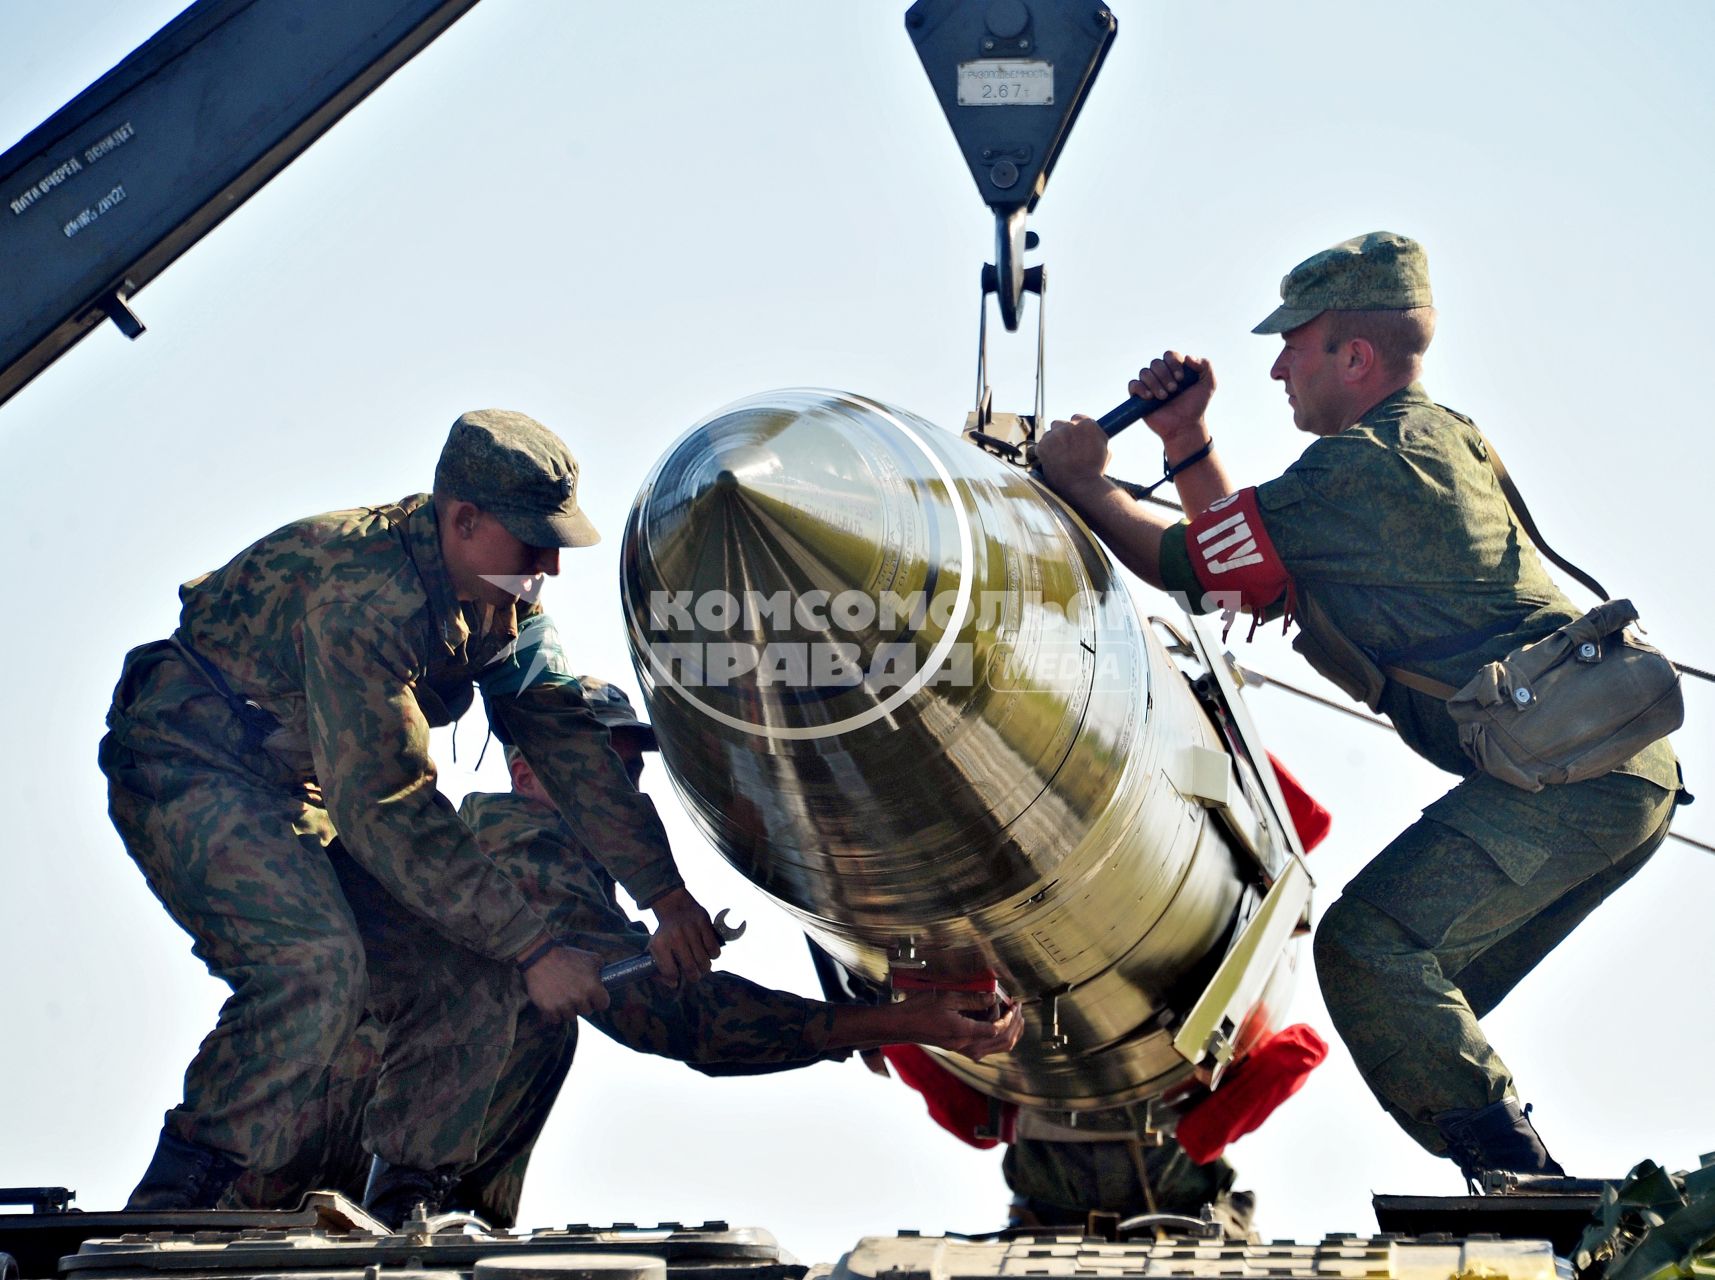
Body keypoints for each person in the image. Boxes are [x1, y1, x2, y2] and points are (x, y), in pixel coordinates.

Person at [1034, 233, 1683, 1185]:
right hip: (1605, 777)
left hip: (1567, 784)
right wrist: (1182, 441)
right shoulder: (1429, 439)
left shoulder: (1363, 469)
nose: (1275, 367)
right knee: (1412, 986)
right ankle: (1519, 1180)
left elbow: (1190, 566)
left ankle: (1527, 1188)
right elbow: (1246, 581)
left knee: (1369, 947)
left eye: (1293, 344)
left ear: (1354, 356)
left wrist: (1080, 479)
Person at [100, 408, 725, 1222]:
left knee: (469, 968)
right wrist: (537, 945)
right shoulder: (361, 593)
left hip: (296, 787)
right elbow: (387, 802)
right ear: (462, 521)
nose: (550, 568)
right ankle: (178, 1195)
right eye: (533, 543)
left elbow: (568, 745)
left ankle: (409, 1200)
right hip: (188, 765)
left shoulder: (507, 611)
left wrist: (665, 896)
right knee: (313, 965)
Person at [448, 677, 1024, 1225]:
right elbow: (686, 1022)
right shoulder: (517, 851)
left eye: (628, 776)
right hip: (388, 1186)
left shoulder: (546, 866)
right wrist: (898, 1022)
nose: (623, 799)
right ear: (525, 777)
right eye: (600, 777)